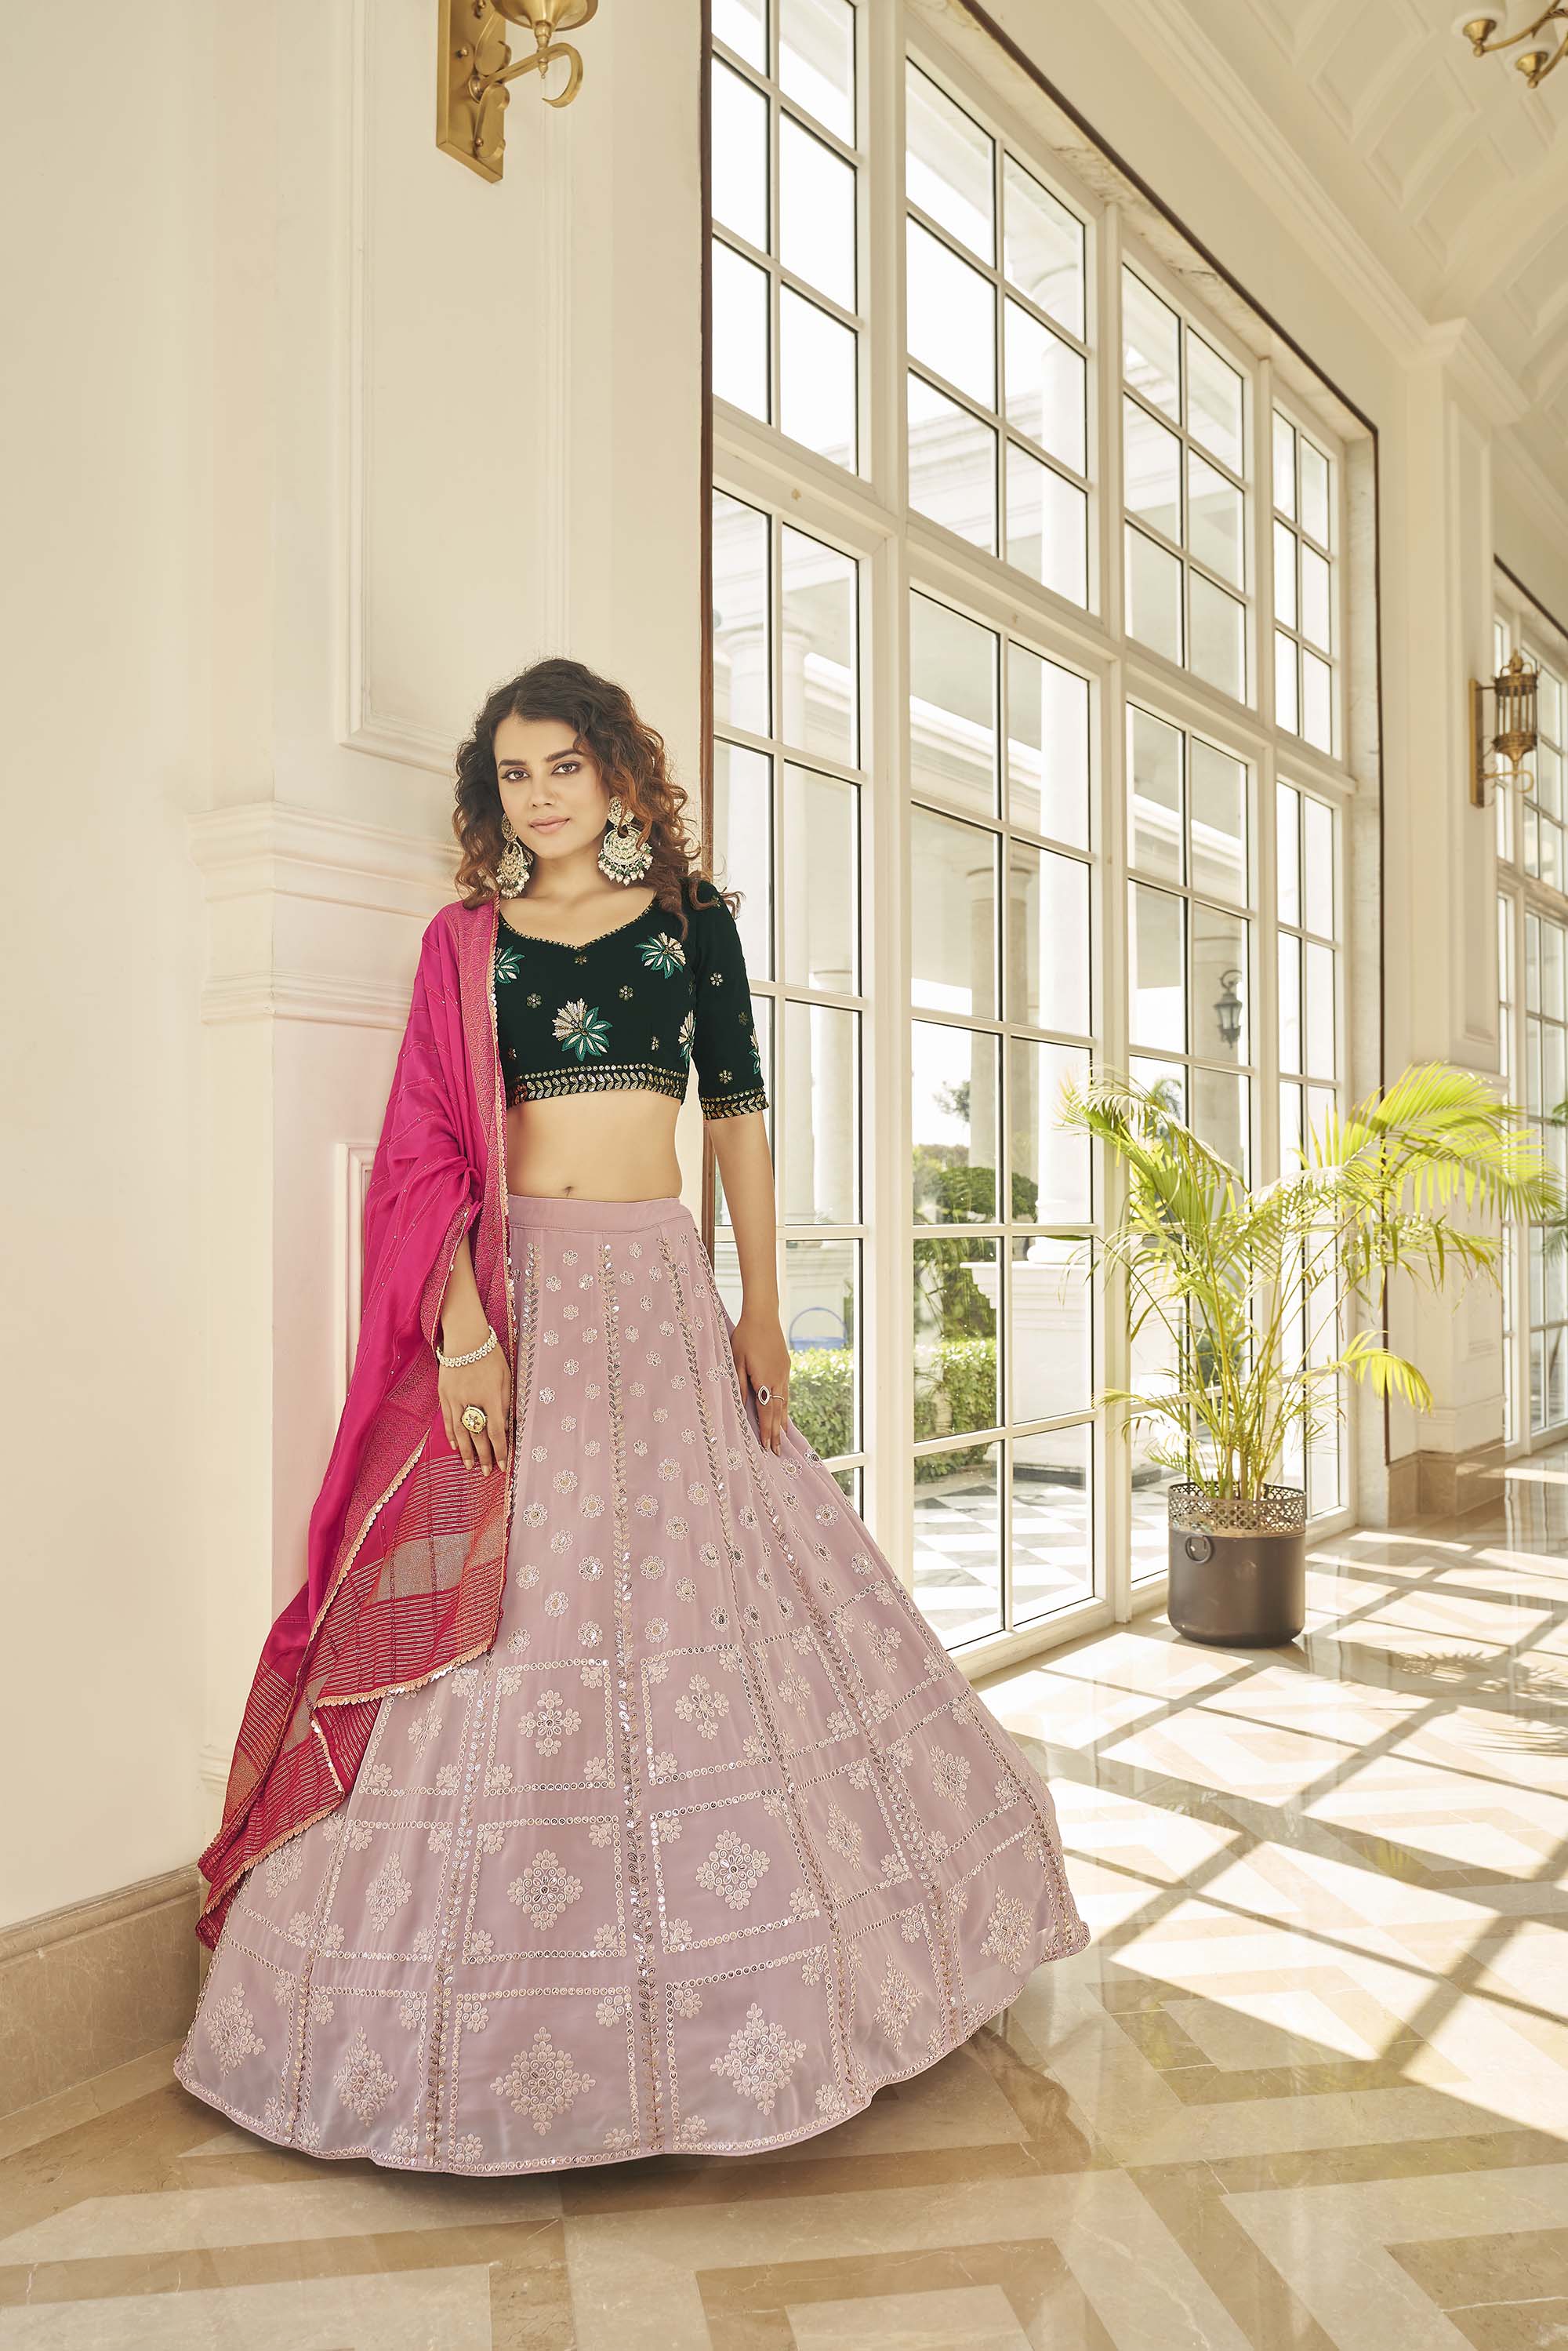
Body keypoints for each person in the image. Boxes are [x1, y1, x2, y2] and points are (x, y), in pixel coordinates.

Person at [174, 656, 1089, 2171]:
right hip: (521, 1296)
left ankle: (753, 2000)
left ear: (613, 772)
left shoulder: (688, 918)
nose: (539, 796)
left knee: (700, 1597)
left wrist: (761, 1305)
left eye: (563, 766)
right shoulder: (466, 944)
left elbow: (736, 1111)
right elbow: (423, 1148)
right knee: (518, 1606)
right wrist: (464, 1333)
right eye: (514, 774)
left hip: (660, 1293)